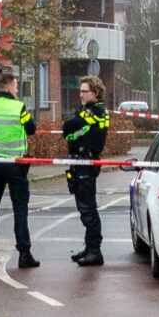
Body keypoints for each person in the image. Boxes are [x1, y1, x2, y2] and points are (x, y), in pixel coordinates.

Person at [0, 67, 38, 270]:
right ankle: (24, 253)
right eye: (17, 86)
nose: (17, 90)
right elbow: (32, 129)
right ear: (9, 86)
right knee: (20, 209)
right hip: (15, 164)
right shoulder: (18, 107)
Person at [63, 76, 112, 266]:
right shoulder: (91, 112)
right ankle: (89, 246)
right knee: (84, 206)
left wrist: (74, 133)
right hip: (82, 160)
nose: (81, 94)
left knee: (88, 208)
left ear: (96, 92)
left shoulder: (95, 111)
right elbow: (71, 133)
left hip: (87, 161)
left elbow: (67, 127)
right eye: (81, 90)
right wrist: (76, 135)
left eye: (85, 91)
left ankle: (95, 250)